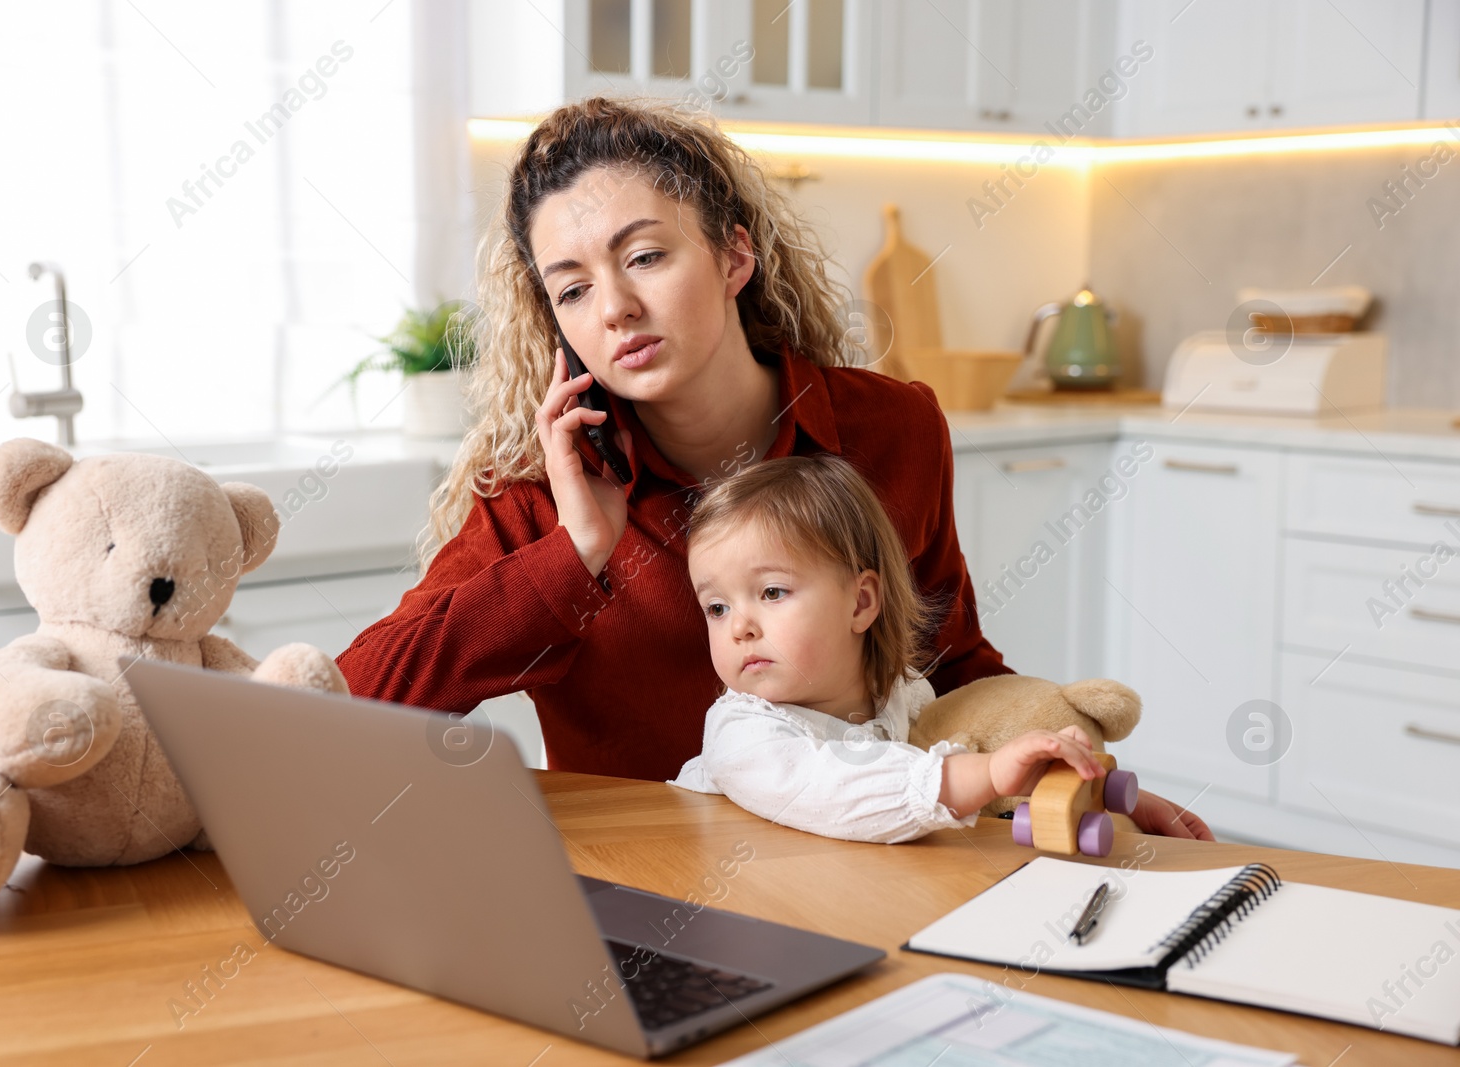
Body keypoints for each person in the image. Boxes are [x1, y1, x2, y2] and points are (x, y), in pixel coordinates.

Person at [333, 96, 1209, 841]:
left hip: (873, 864)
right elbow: (355, 705)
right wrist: (577, 552)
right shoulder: (544, 492)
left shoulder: (888, 429)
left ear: (734, 258)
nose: (616, 308)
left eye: (644, 256)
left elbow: (944, 664)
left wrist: (1084, 782)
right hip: (645, 896)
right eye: (572, 289)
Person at [669, 455, 1210, 844]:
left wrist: (1097, 790)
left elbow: (983, 748)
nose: (738, 626)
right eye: (716, 608)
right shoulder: (742, 733)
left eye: (771, 592)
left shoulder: (906, 696)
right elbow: (834, 791)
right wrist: (989, 774)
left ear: (861, 602)